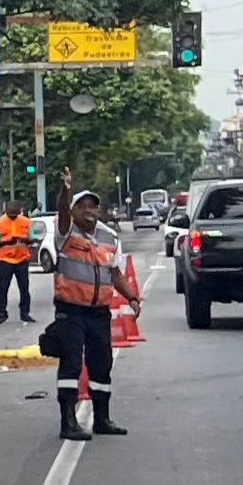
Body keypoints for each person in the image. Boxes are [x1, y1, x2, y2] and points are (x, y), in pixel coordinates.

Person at [51, 167, 142, 441]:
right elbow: (63, 213)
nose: (89, 210)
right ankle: (68, 421)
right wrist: (66, 191)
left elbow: (115, 273)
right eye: (82, 206)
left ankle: (102, 418)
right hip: (70, 309)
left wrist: (133, 298)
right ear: (73, 210)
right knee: (70, 364)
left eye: (93, 206)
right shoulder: (65, 231)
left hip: (98, 312)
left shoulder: (109, 237)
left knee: (101, 363)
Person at [0, 198, 36, 324]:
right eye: (10, 214)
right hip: (5, 260)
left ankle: (25, 313)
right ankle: (2, 313)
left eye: (15, 214)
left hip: (22, 259)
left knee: (24, 288)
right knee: (3, 288)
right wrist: (6, 242)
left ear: (19, 211)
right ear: (6, 211)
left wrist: (24, 239)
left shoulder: (26, 222)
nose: (13, 217)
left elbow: (32, 239)